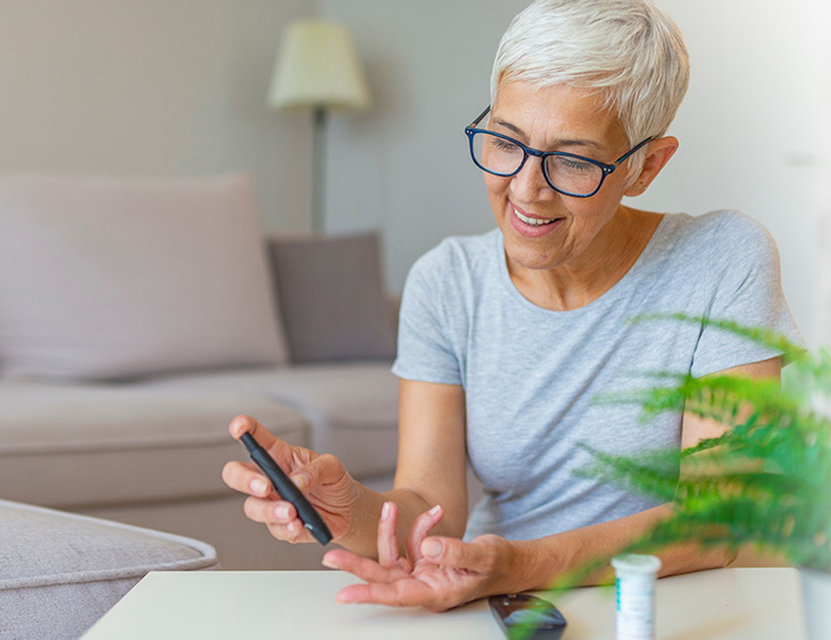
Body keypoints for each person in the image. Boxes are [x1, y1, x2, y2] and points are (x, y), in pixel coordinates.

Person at [221, 0, 795, 611]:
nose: (526, 189)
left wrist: (519, 564)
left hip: (668, 609)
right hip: (507, 609)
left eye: (573, 159)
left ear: (645, 166)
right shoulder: (446, 282)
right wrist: (350, 510)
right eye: (505, 141)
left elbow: (718, 518)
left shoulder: (723, 259)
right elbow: (429, 513)